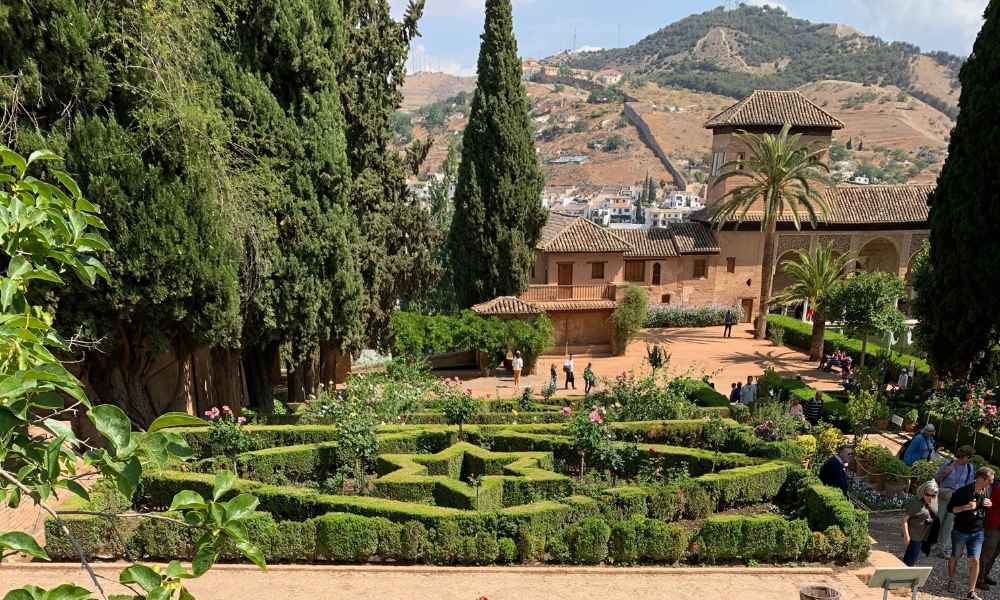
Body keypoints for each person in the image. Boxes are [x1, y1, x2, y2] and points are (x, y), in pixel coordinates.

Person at [946, 467, 995, 599]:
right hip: (961, 531)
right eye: (990, 480)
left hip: (978, 532)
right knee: (955, 556)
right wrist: (966, 507)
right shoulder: (963, 491)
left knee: (975, 561)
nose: (992, 483)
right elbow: (950, 509)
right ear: (980, 479)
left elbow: (987, 507)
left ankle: (971, 591)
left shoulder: (987, 490)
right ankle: (951, 580)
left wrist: (989, 504)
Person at [935, 446, 979, 559]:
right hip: (945, 496)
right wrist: (946, 472)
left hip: (957, 499)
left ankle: (942, 547)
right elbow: (937, 479)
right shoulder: (948, 463)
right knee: (938, 520)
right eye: (969, 457)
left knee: (950, 524)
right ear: (962, 456)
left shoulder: (969, 468)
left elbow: (969, 485)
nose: (970, 459)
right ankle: (932, 543)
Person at [902, 480, 940, 566]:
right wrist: (906, 535)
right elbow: (904, 518)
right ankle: (906, 574)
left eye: (932, 495)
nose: (930, 497)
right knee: (913, 556)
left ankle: (903, 570)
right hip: (915, 532)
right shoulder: (914, 502)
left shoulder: (934, 498)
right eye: (927, 495)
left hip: (926, 532)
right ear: (923, 491)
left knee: (910, 554)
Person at [976, 474, 1000, 591]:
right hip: (993, 525)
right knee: (987, 553)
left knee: (994, 554)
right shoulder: (998, 488)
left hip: (997, 524)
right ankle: (978, 578)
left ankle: (984, 575)